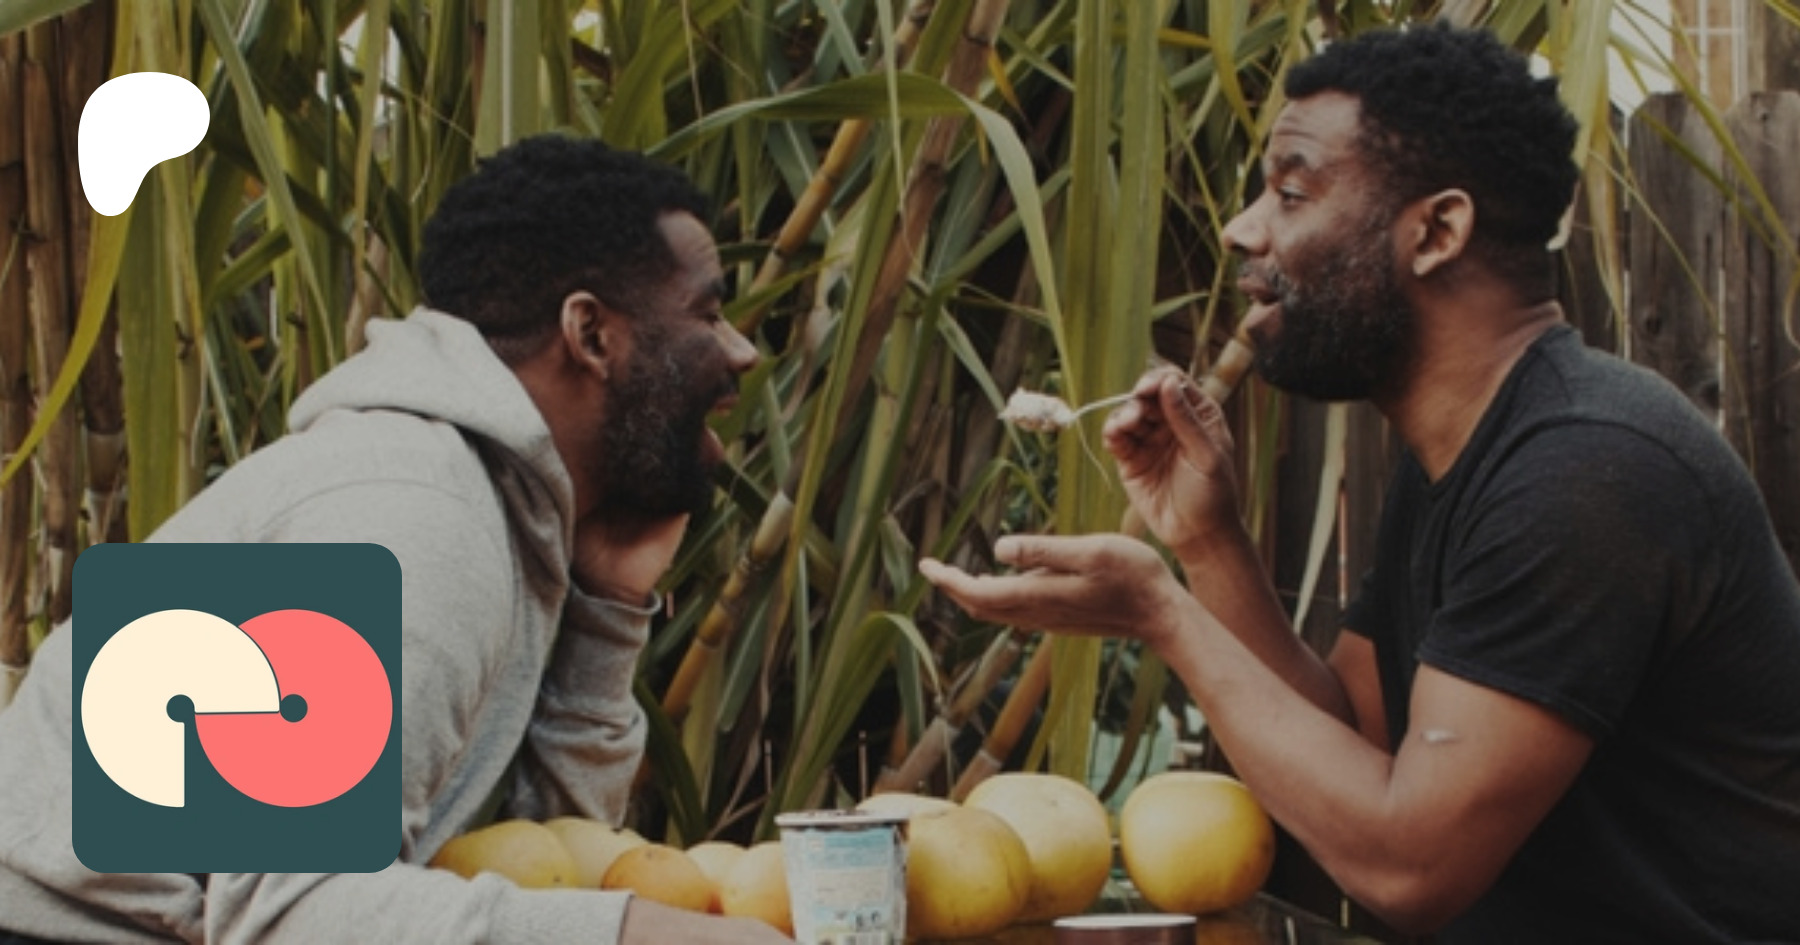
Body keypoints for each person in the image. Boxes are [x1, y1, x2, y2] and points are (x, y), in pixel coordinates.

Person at [922, 24, 1800, 943]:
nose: (1242, 229)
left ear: (1437, 232)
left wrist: (1162, 613)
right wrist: (1207, 542)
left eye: (1290, 193)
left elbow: (1408, 864)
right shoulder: (1466, 454)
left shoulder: (1587, 472)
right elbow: (1356, 741)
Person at [0, 136, 791, 944]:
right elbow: (286, 911)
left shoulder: (472, 498)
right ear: (590, 333)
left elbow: (543, 859)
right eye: (707, 313)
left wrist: (607, 610)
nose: (740, 350)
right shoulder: (410, 510)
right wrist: (640, 934)